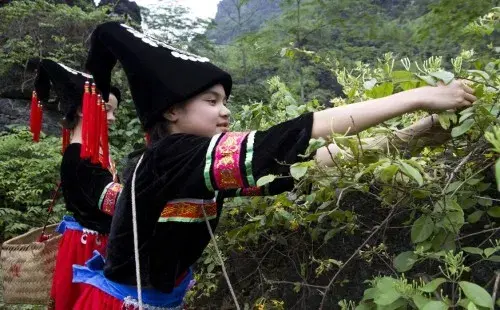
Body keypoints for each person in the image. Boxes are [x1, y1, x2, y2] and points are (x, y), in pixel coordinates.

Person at [72, 22, 476, 309]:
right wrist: (420, 96)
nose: (225, 112)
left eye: (224, 101)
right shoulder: (171, 156)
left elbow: (304, 163)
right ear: (173, 111)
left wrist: (408, 138)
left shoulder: (197, 163)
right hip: (125, 303)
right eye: (211, 102)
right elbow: (297, 135)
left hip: (163, 296)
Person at [30, 59, 123, 310]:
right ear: (83, 109)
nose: (112, 118)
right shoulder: (79, 155)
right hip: (88, 246)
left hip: (96, 241)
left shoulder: (90, 151)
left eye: (114, 111)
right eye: (108, 109)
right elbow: (112, 201)